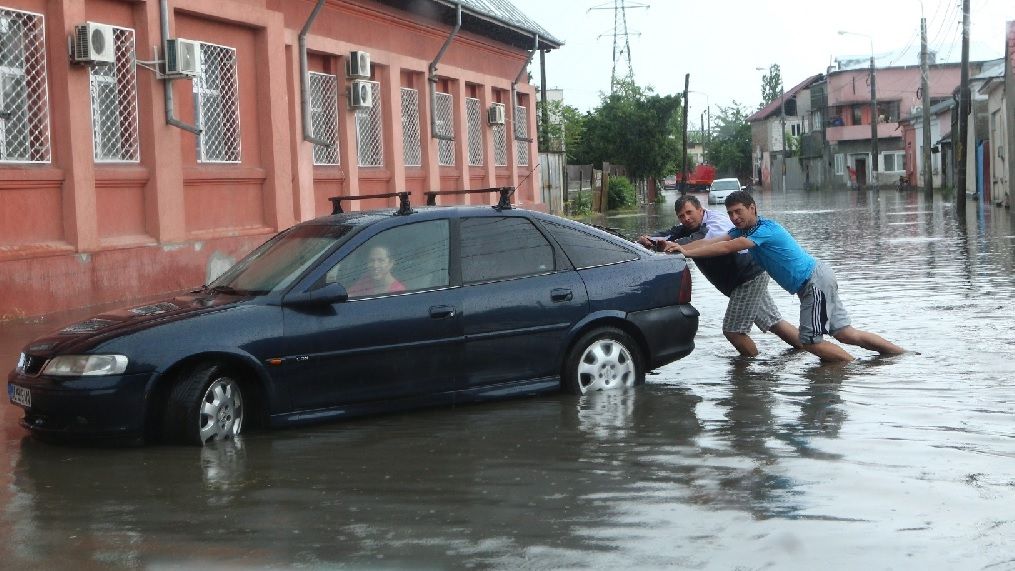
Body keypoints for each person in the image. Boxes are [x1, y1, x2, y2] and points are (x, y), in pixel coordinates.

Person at [667, 191, 905, 362]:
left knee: (811, 341)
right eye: (730, 213)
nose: (735, 217)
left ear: (753, 208)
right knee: (845, 333)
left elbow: (725, 248)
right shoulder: (741, 230)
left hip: (814, 282)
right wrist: (682, 248)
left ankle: (851, 370)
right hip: (817, 278)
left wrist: (686, 250)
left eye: (739, 211)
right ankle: (899, 354)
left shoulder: (764, 230)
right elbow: (714, 241)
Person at [637, 195, 801, 357]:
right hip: (747, 277)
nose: (686, 218)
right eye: (681, 216)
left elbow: (702, 242)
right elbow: (670, 234)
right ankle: (807, 349)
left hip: (747, 277)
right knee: (773, 322)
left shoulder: (714, 224)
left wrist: (678, 247)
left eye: (689, 212)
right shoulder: (688, 226)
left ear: (700, 210)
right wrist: (649, 240)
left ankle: (752, 372)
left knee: (733, 331)